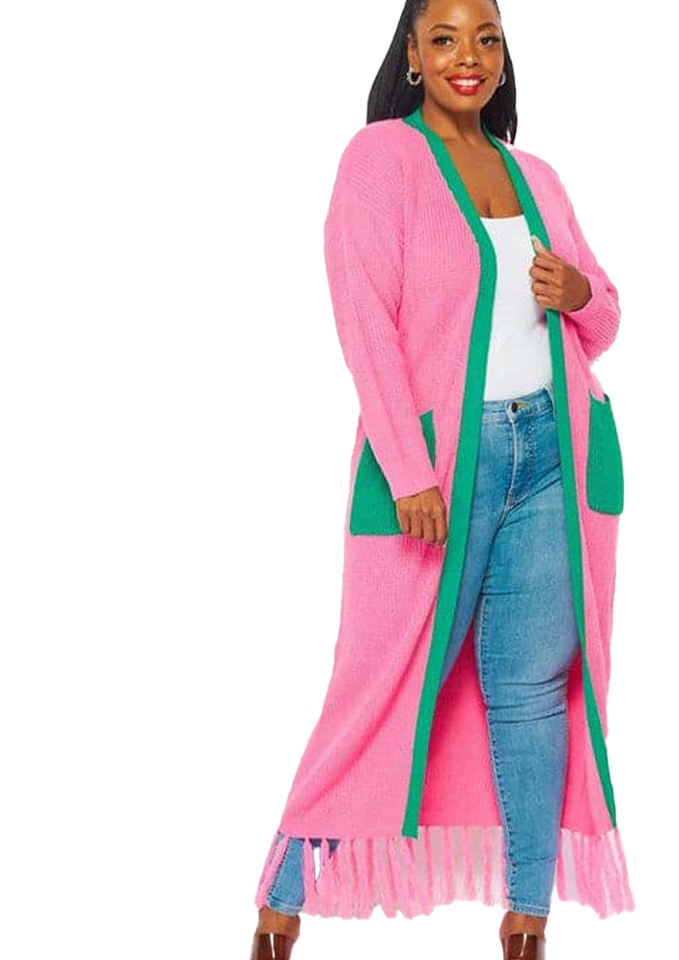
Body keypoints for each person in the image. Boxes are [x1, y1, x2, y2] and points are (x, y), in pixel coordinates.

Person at [250, 1, 631, 957]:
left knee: (535, 687)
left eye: (487, 39)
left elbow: (606, 314)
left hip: (554, 455)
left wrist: (578, 292)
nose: (470, 57)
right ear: (414, 55)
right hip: (441, 468)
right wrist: (409, 468)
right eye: (447, 38)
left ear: (504, 56)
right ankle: (281, 902)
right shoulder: (380, 159)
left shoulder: (536, 175)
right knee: (384, 681)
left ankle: (528, 918)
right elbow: (364, 320)